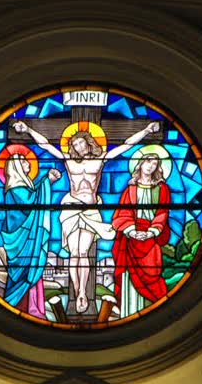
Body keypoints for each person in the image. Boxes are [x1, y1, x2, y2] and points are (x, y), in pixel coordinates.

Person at [12, 120, 160, 313]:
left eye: (80, 142)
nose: (78, 147)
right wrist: (28, 130)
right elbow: (45, 145)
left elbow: (126, 145)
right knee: (74, 253)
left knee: (83, 252)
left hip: (91, 209)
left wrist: (146, 131)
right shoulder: (68, 160)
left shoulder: (100, 160)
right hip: (71, 207)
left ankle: (82, 291)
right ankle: (79, 291)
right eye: (74, 144)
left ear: (89, 142)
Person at [111, 149, 171, 318]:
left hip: (151, 237)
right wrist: (131, 231)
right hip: (132, 239)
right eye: (148, 162)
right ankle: (129, 312)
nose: (150, 166)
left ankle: (157, 313)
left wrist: (152, 232)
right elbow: (122, 214)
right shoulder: (130, 189)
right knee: (129, 275)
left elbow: (163, 213)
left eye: (155, 163)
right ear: (140, 164)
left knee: (153, 273)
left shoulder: (162, 189)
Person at [1, 152, 61, 318]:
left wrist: (46, 181)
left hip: (28, 240)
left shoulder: (23, 188)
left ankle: (35, 309)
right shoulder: (15, 190)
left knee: (33, 270)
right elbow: (30, 202)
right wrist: (47, 180)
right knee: (26, 273)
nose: (27, 162)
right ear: (16, 168)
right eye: (22, 161)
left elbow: (32, 197)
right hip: (22, 242)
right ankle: (21, 308)